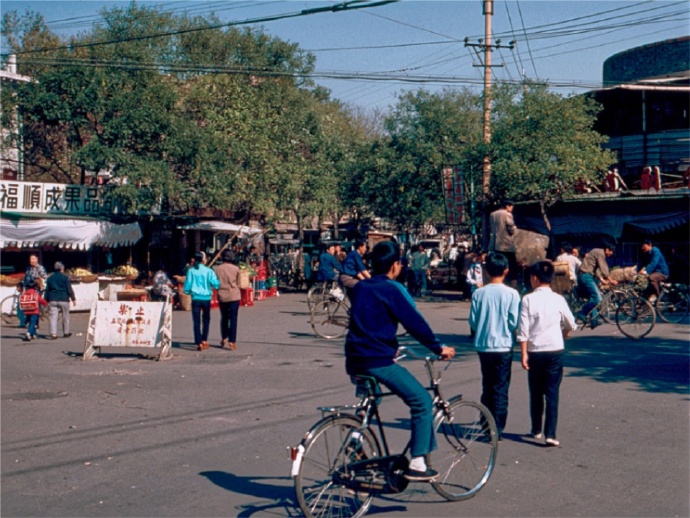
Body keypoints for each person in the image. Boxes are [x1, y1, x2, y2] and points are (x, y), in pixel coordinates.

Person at [345, 241, 456, 481]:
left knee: (369, 402)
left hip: (354, 358)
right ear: (396, 265)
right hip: (377, 360)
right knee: (421, 401)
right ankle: (417, 463)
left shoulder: (361, 287)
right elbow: (414, 323)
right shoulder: (392, 289)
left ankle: (354, 443)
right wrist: (437, 348)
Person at [518, 261, 577, 447]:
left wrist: (523, 354)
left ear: (534, 278)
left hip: (535, 350)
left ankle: (536, 428)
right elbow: (571, 323)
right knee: (552, 392)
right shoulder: (558, 299)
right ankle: (550, 433)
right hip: (555, 349)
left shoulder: (527, 299)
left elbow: (523, 330)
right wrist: (565, 333)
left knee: (535, 391)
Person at [468, 253, 520, 440]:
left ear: (486, 271)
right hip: (504, 346)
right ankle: (496, 428)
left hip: (484, 345)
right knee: (500, 388)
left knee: (487, 386)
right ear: (506, 271)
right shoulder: (512, 294)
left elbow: (473, 322)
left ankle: (485, 423)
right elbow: (514, 322)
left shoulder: (478, 294)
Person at [184, 252, 221, 351]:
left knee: (196, 321)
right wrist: (219, 283)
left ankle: (199, 341)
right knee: (206, 320)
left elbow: (187, 287)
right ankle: (204, 339)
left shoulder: (191, 271)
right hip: (206, 298)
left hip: (195, 298)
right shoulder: (209, 271)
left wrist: (189, 292)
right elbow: (215, 284)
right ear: (203, 260)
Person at [576, 241, 618, 328]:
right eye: (611, 252)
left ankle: (594, 320)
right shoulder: (600, 253)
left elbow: (597, 270)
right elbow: (603, 267)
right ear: (607, 250)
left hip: (586, 276)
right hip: (585, 276)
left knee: (593, 298)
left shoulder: (596, 252)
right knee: (597, 299)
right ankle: (582, 313)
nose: (610, 254)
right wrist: (610, 279)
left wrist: (602, 280)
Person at [214, 250, 241, 350]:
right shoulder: (236, 269)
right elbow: (238, 282)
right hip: (234, 295)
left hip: (222, 295)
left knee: (224, 317)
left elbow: (215, 283)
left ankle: (224, 337)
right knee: (233, 318)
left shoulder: (217, 269)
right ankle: (232, 341)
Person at [44, 261, 76, 340]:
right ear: (62, 268)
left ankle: (53, 333)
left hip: (53, 299)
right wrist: (73, 298)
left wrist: (45, 300)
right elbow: (69, 289)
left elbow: (47, 290)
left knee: (53, 317)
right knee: (66, 316)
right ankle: (66, 332)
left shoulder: (50, 278)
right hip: (64, 299)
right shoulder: (65, 277)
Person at [489, 200, 518, 284]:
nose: (512, 209)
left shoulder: (492, 214)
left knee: (497, 264)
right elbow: (511, 229)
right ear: (507, 206)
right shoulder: (507, 214)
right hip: (505, 244)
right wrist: (514, 228)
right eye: (511, 206)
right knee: (511, 265)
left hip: (494, 244)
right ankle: (510, 283)